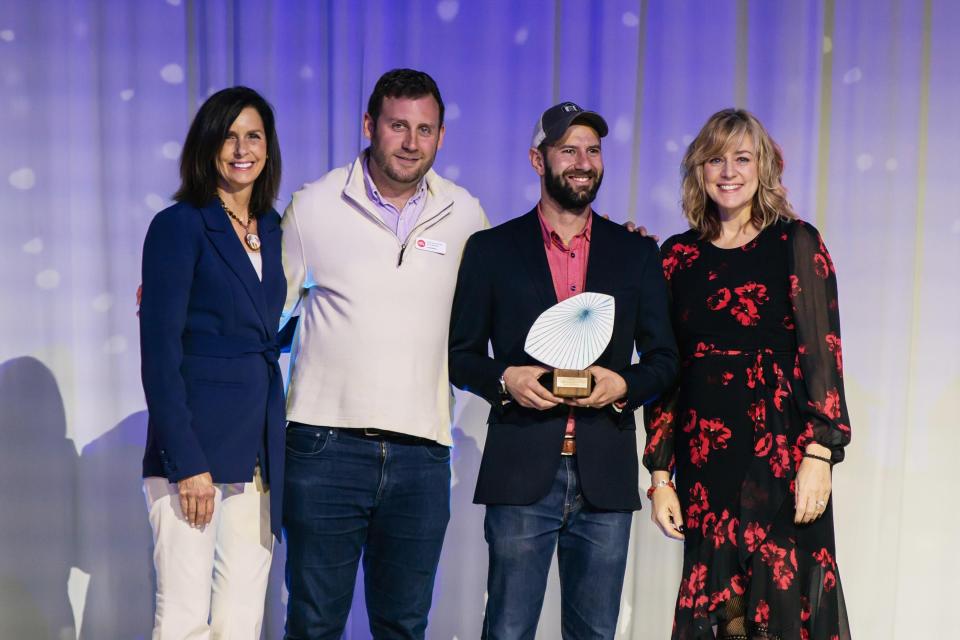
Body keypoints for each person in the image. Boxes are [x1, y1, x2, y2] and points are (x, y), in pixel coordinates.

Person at [449, 102, 680, 639]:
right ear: (538, 159)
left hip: (605, 472)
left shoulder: (637, 252)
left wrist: (625, 384)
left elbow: (665, 358)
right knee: (507, 630)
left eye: (593, 150)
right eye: (568, 149)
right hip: (521, 471)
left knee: (595, 633)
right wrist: (507, 380)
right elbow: (461, 356)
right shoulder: (490, 250)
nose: (583, 161)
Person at [279, 68, 488, 639]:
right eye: (398, 125)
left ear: (441, 136)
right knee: (315, 622)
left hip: (422, 454)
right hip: (324, 446)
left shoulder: (466, 214)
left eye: (425, 129)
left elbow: (504, 303)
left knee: (403, 625)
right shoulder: (314, 205)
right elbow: (265, 314)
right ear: (370, 125)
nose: (411, 141)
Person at [643, 108, 852, 640]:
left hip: (781, 458)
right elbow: (668, 374)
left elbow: (822, 354)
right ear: (699, 169)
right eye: (716, 159)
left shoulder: (795, 242)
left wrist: (820, 454)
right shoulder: (677, 257)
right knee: (723, 613)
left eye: (742, 158)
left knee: (783, 606)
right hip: (706, 461)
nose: (728, 171)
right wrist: (660, 477)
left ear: (763, 168)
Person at [139, 86, 286, 639]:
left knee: (241, 621)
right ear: (207, 145)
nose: (241, 148)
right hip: (193, 455)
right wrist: (187, 462)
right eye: (229, 135)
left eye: (253, 136)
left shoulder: (273, 229)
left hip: (258, 455)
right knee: (182, 619)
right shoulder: (179, 225)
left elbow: (262, 326)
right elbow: (160, 354)